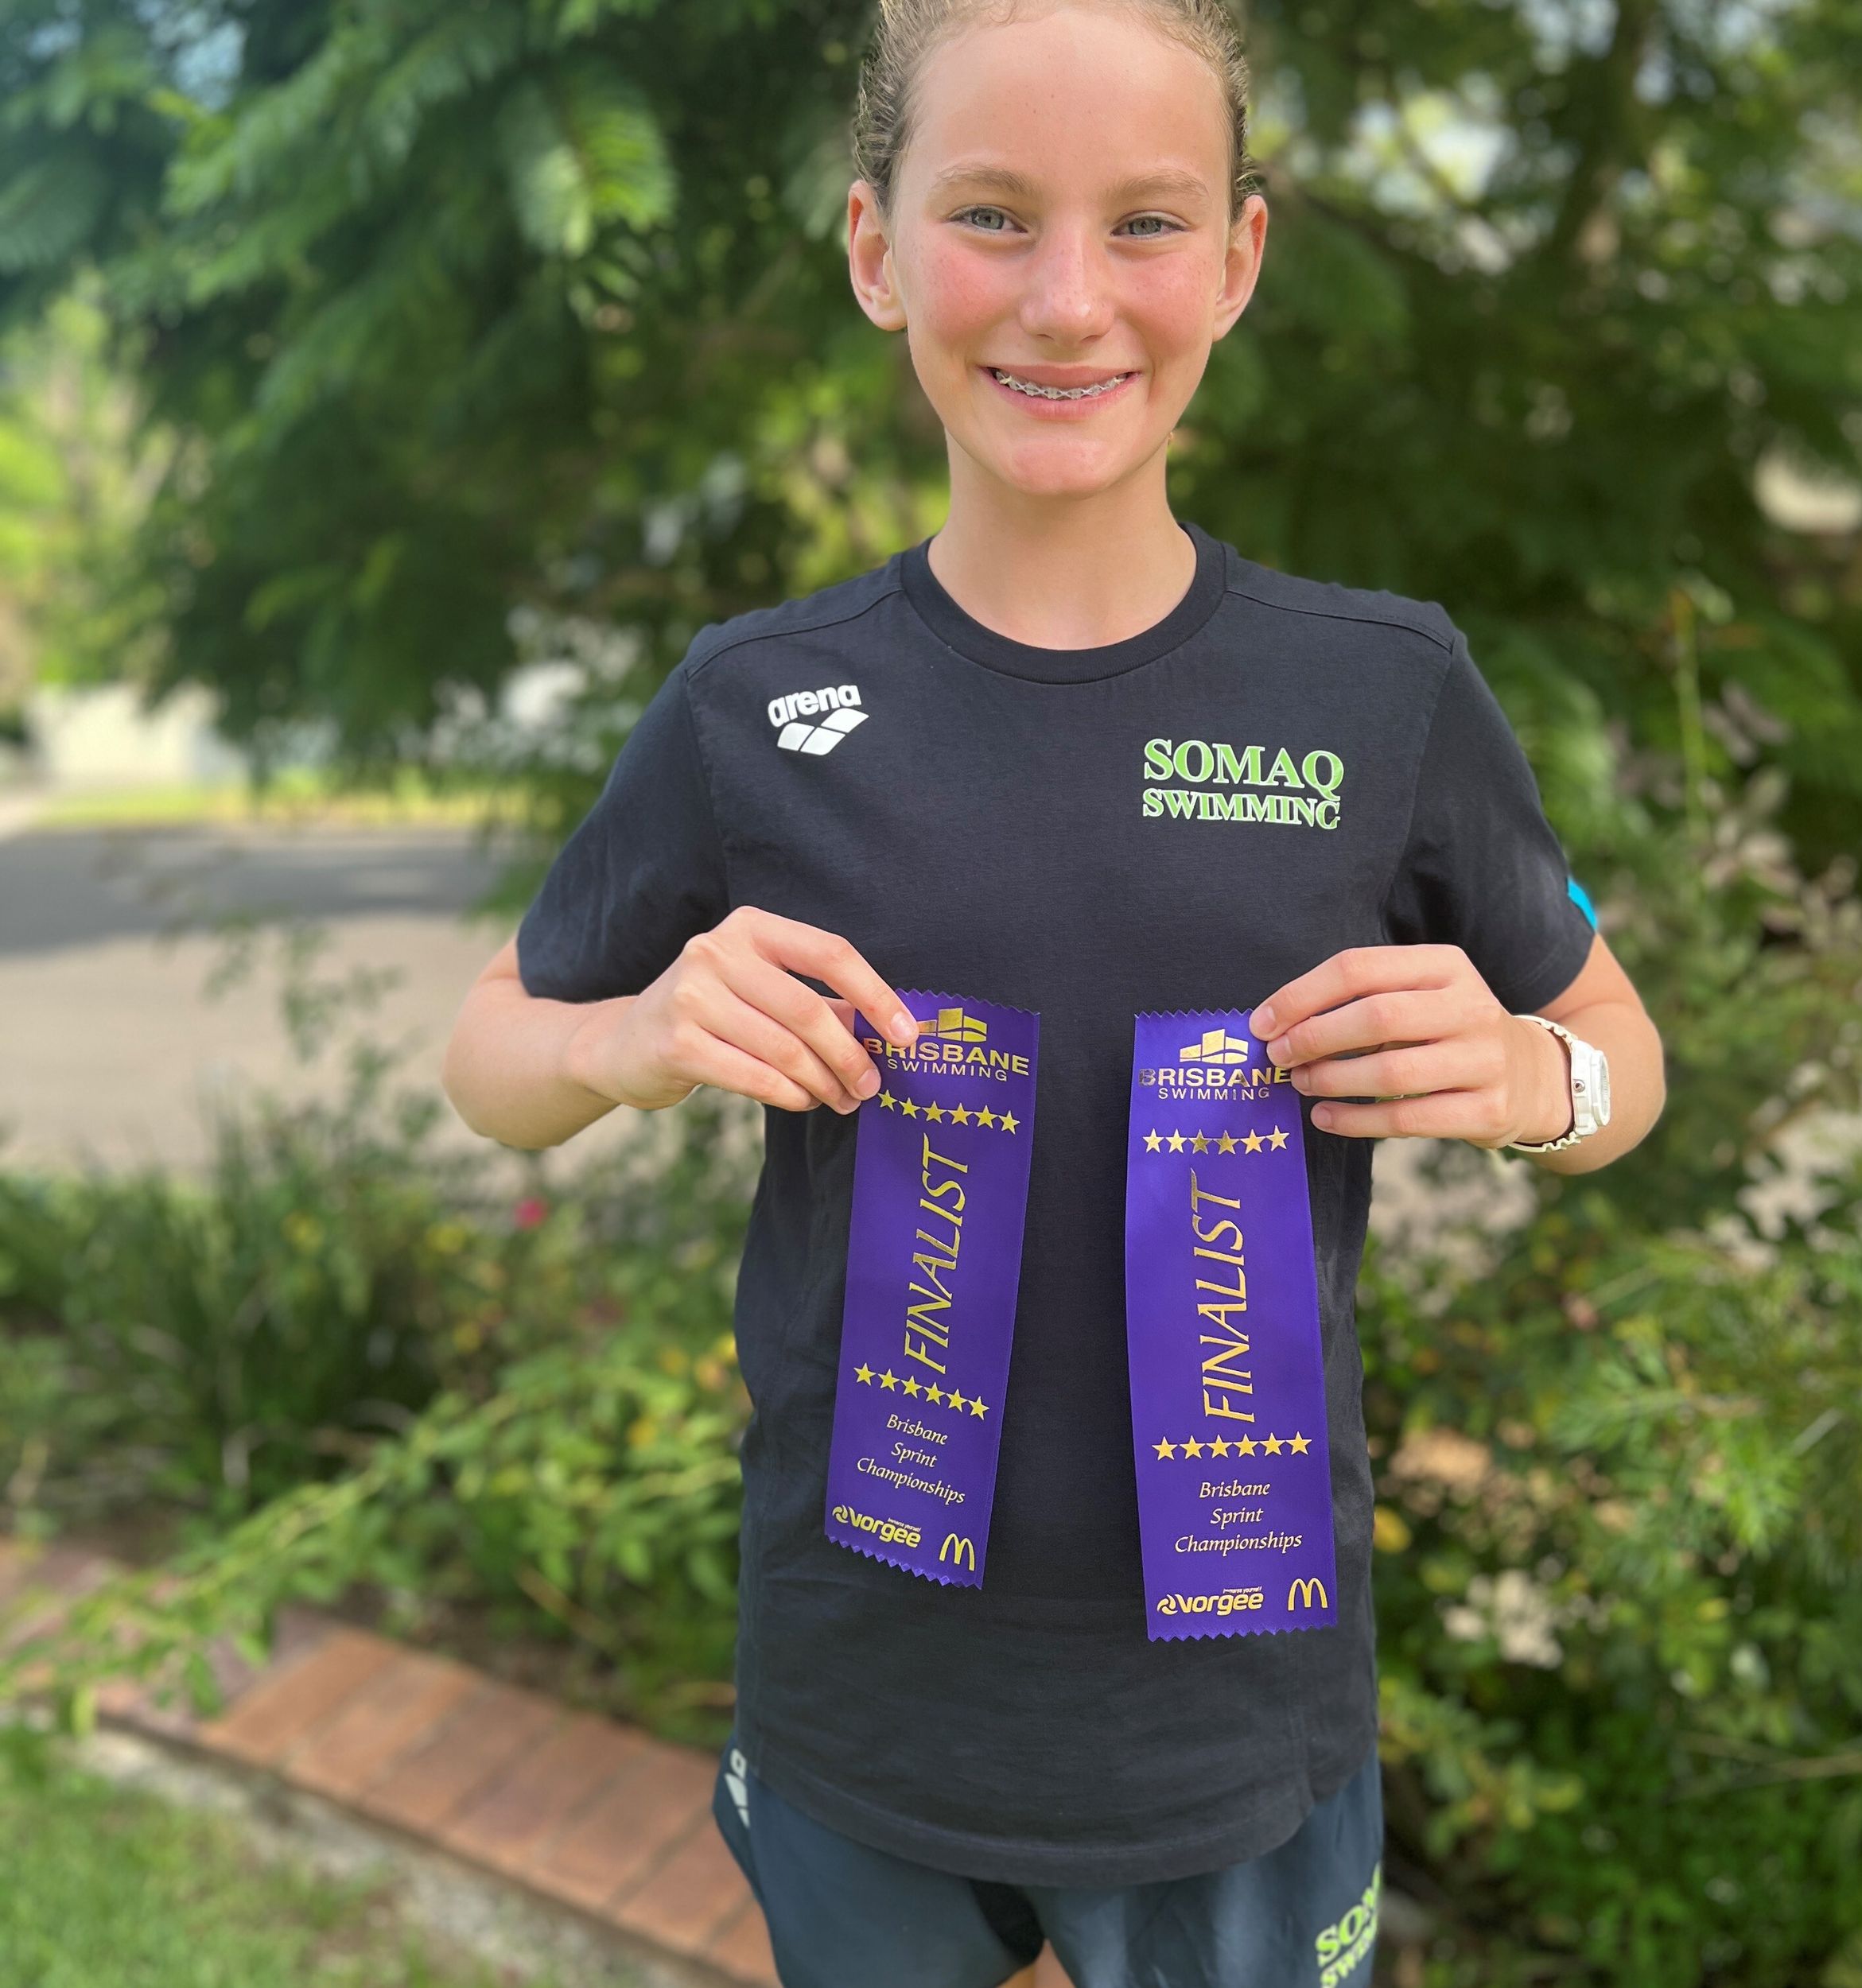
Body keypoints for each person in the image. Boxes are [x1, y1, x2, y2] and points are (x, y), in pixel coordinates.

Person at [440, 2, 1666, 1982]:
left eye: (1145, 222)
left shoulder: (1381, 689)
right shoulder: (757, 701)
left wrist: (1536, 1079)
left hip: (1237, 1717)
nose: (1069, 299)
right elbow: (489, 1050)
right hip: (863, 1689)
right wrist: (628, 1035)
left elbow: (1619, 1056)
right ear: (874, 249)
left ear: (1238, 259)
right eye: (992, 214)